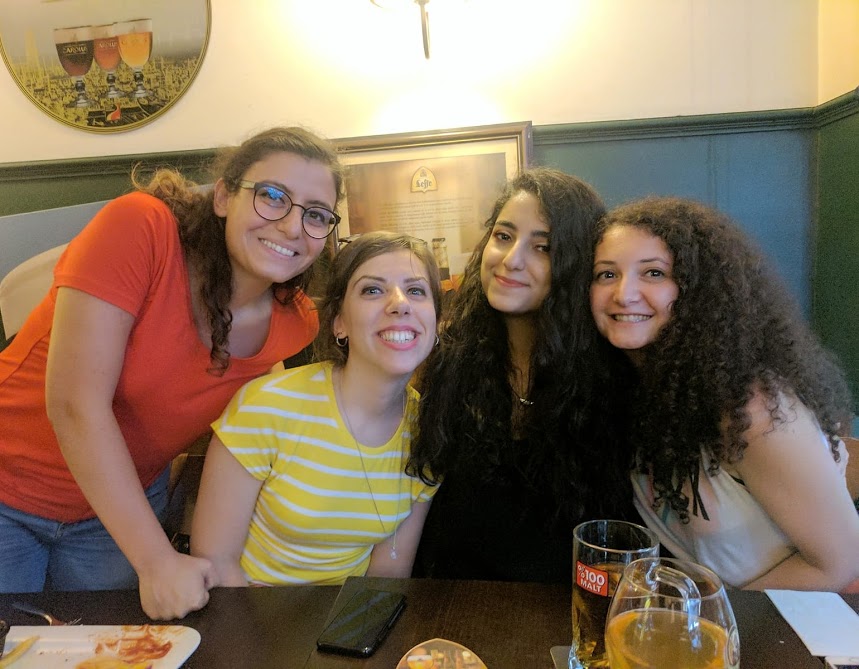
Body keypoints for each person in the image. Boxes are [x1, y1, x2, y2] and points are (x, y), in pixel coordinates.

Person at [0, 126, 344, 618]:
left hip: (117, 511)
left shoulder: (297, 323)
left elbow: (258, 436)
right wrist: (157, 561)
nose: (293, 226)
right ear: (223, 196)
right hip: (7, 488)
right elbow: (75, 404)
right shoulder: (140, 226)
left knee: (107, 647)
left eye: (316, 214)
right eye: (272, 196)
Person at [590, 196, 859, 591]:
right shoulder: (637, 392)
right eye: (606, 274)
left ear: (701, 290)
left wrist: (703, 615)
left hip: (778, 620)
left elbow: (841, 563)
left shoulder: (751, 406)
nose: (624, 293)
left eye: (654, 273)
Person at [408, 168, 638, 583]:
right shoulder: (444, 358)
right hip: (450, 604)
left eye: (543, 247)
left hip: (567, 610)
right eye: (503, 236)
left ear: (575, 263)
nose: (512, 259)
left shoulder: (611, 377)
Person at [191, 231, 441, 586]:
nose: (400, 303)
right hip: (248, 609)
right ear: (339, 322)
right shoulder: (267, 407)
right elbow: (215, 562)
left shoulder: (429, 431)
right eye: (372, 290)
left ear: (435, 322)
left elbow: (386, 578)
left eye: (416, 291)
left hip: (345, 617)